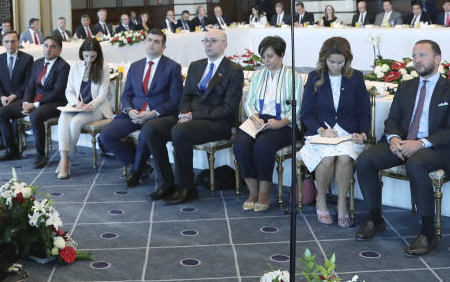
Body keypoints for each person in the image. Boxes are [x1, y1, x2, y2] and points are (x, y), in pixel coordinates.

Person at [355, 40, 450, 256]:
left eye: (422, 55)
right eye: (414, 55)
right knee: (365, 160)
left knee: (416, 163)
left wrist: (420, 144)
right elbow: (392, 119)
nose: (417, 60)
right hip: (403, 143)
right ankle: (375, 219)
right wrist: (394, 139)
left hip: (436, 147)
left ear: (437, 59)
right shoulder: (406, 86)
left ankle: (428, 233)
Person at [142, 29, 243, 204]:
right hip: (189, 117)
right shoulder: (196, 66)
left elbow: (228, 108)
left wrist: (193, 116)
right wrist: (183, 113)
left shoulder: (233, 70)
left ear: (224, 45)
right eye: (205, 41)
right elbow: (185, 96)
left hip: (217, 122)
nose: (208, 44)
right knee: (151, 128)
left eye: (213, 40)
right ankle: (167, 182)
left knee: (180, 132)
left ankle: (186, 187)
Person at [299, 37, 370, 227]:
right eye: (332, 62)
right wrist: (320, 130)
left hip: (348, 133)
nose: (336, 66)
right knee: (328, 158)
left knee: (345, 157)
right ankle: (320, 199)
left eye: (341, 62)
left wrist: (363, 134)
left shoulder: (356, 77)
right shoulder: (315, 77)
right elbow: (305, 114)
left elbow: (364, 111)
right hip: (322, 132)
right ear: (324, 59)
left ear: (347, 60)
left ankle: (341, 204)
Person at [99, 30, 184, 187]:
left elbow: (175, 100)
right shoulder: (135, 66)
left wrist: (153, 112)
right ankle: (140, 165)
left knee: (146, 134)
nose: (152, 43)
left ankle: (136, 172)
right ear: (145, 43)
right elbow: (126, 95)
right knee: (105, 136)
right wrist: (129, 110)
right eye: (149, 40)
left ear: (163, 47)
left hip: (157, 116)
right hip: (133, 114)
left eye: (156, 41)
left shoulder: (172, 68)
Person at [233, 36, 302, 212]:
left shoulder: (293, 76)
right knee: (240, 144)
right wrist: (255, 118)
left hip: (284, 123)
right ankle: (253, 191)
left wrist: (281, 123)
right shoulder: (257, 75)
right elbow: (249, 102)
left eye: (270, 56)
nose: (266, 61)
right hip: (259, 119)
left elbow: (298, 106)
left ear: (282, 54)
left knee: (263, 146)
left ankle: (265, 192)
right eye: (263, 57)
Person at [0, 35, 70, 168]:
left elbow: (57, 92)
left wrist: (35, 105)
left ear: (59, 50)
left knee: (35, 115)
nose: (48, 49)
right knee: (1, 113)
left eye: (53, 47)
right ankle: (12, 150)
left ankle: (41, 154)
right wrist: (25, 102)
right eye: (46, 46)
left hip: (54, 103)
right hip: (34, 100)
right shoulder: (38, 63)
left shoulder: (63, 66)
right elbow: (30, 86)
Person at [55, 39, 113, 179]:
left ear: (97, 55)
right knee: (63, 117)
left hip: (96, 108)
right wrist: (76, 104)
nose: (89, 60)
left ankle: (64, 160)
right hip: (77, 106)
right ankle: (65, 159)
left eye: (92, 56)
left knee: (75, 123)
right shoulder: (75, 66)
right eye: (86, 56)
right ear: (82, 53)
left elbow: (103, 94)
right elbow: (69, 91)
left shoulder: (104, 67)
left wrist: (90, 105)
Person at [0, 31, 33, 151]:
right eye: (7, 41)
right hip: (3, 96)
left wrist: (14, 95)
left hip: (19, 96)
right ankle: (2, 137)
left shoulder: (27, 59)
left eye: (13, 41)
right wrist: (1, 96)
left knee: (3, 112)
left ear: (18, 42)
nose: (10, 44)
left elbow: (28, 82)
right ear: (3, 43)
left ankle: (12, 141)